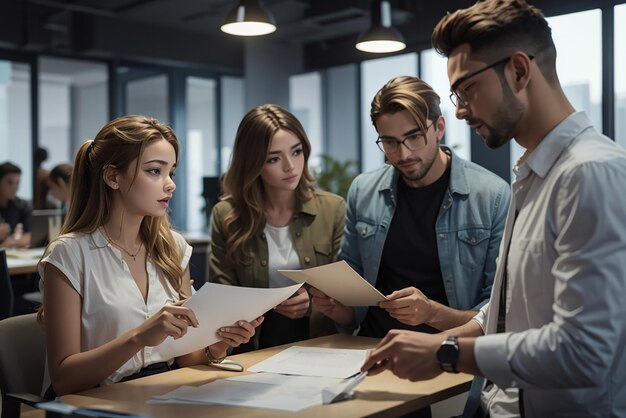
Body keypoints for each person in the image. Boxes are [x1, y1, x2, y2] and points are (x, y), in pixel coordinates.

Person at [362, 1, 626, 417]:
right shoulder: (532, 173)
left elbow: (584, 350)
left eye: (468, 89)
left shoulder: (589, 173)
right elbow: (505, 309)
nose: (462, 109)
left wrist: (445, 355)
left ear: (519, 70)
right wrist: (438, 341)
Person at [39, 115, 263, 397]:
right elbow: (63, 380)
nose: (170, 184)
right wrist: (140, 336)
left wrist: (219, 343)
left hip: (161, 390)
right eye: (155, 171)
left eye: (171, 172)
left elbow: (187, 358)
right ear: (112, 177)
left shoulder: (172, 247)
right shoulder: (69, 254)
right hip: (96, 400)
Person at [311, 76, 509, 339]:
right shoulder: (364, 191)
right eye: (390, 142)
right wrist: (335, 307)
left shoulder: (491, 196)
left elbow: (498, 313)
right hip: (371, 351)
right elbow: (353, 306)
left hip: (449, 357)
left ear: (439, 127)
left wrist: (431, 313)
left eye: (414, 137)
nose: (403, 154)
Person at [209, 104, 346, 352]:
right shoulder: (226, 215)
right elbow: (221, 297)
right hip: (252, 347)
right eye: (274, 158)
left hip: (319, 344)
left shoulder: (332, 209)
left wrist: (313, 303)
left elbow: (346, 293)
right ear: (253, 163)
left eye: (296, 152)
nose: (290, 166)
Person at [0, 161, 32, 248]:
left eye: (17, 183)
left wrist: (14, 242)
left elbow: (32, 235)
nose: (15, 188)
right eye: (9, 182)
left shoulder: (24, 206)